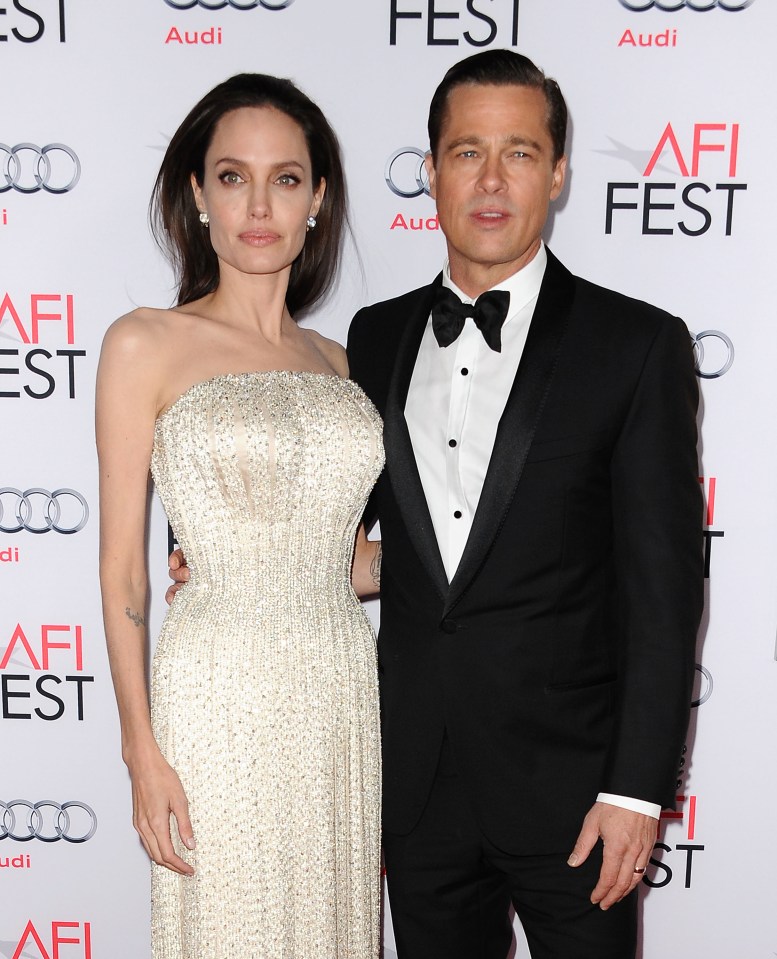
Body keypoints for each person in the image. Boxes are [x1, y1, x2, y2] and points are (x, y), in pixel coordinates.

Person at [346, 51, 703, 958]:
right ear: (430, 171)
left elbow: (662, 593)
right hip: (417, 786)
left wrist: (634, 791)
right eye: (467, 152)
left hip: (576, 793)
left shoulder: (635, 344)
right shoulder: (375, 334)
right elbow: (372, 534)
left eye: (520, 152)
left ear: (558, 172)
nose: (492, 180)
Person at [97, 73, 383, 959]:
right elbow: (125, 571)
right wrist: (141, 752)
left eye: (286, 178)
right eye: (231, 176)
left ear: (318, 199)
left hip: (339, 688)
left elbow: (346, 560)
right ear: (197, 194)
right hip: (215, 691)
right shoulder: (145, 341)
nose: (258, 204)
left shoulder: (345, 362)